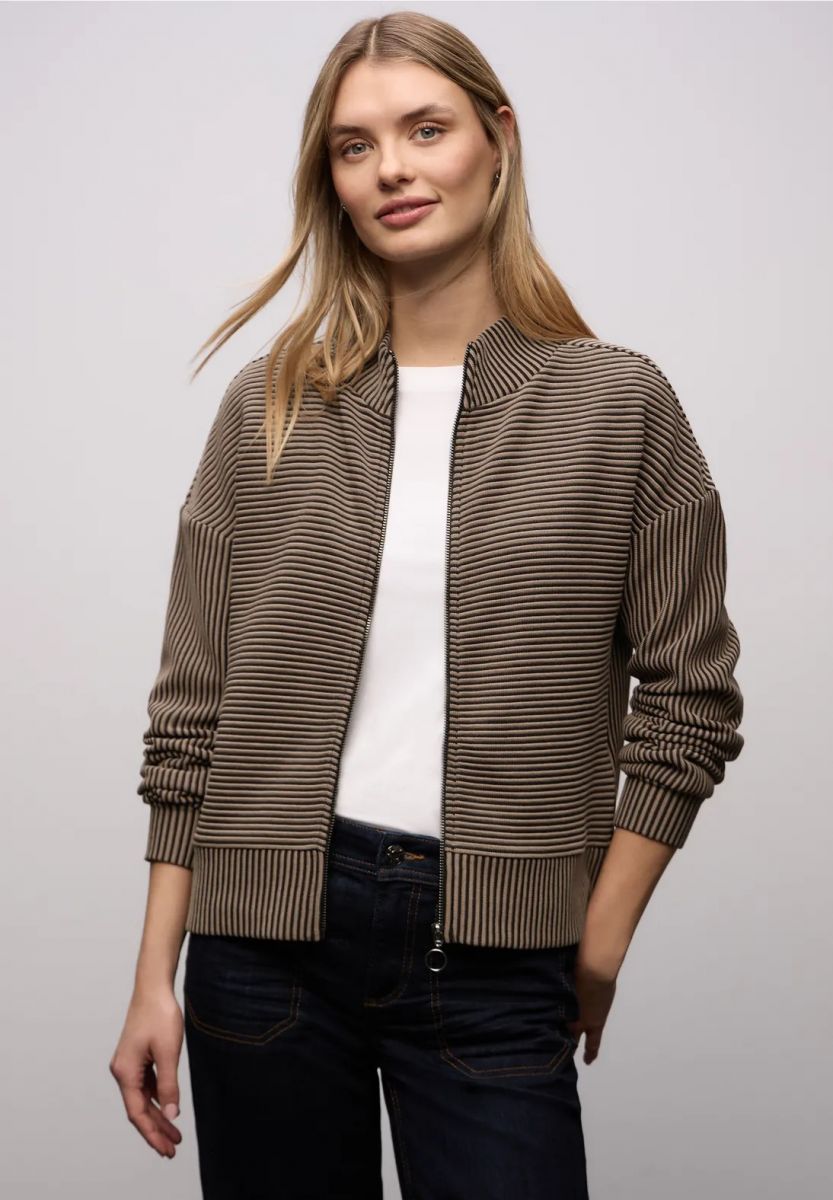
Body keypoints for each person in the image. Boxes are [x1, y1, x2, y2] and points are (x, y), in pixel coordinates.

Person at [109, 11, 745, 1199]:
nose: (391, 169)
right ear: (333, 183)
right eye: (354, 147)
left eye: (424, 129)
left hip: (499, 959)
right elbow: (191, 711)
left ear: (496, 139)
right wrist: (155, 974)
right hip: (261, 950)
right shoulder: (267, 407)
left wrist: (595, 942)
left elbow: (690, 701)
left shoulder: (617, 407)